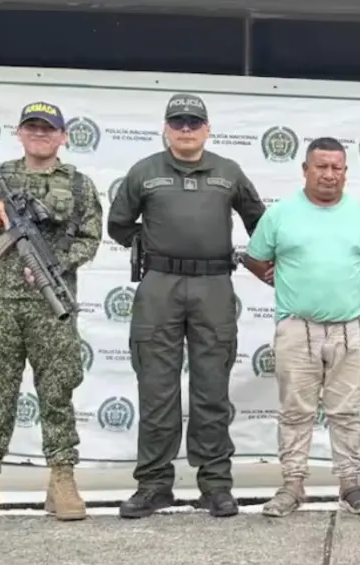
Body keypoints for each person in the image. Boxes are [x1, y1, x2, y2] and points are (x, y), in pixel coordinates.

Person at [0, 101, 103, 525]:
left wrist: (56, 264)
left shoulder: (80, 185)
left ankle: (61, 478)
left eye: (49, 129)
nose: (40, 134)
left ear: (63, 136)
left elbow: (90, 238)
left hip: (52, 303)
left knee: (57, 391)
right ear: (20, 133)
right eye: (32, 127)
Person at [108, 93, 265, 519]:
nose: (186, 130)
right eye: (178, 122)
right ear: (166, 128)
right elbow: (119, 223)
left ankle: (215, 485)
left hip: (213, 285)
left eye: (194, 123)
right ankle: (154, 484)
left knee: (211, 389)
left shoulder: (228, 173)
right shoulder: (145, 172)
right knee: (156, 389)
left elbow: (260, 222)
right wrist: (151, 247)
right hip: (159, 286)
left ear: (207, 129)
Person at [243, 137, 360, 518]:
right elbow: (255, 259)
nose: (328, 174)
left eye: (336, 167)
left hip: (349, 330)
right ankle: (291, 486)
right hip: (297, 328)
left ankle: (350, 485)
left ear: (345, 172)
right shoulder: (279, 214)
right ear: (305, 170)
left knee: (347, 411)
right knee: (295, 411)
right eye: (320, 166)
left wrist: (339, 287)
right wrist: (291, 285)